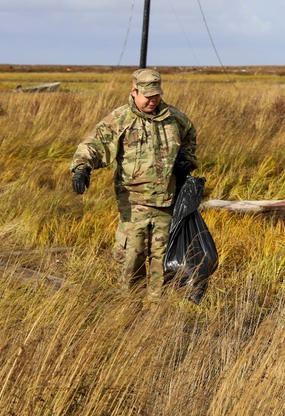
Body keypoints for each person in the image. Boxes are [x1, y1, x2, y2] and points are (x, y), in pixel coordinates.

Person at [70, 68, 198, 299]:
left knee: (164, 268)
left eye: (156, 95)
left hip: (166, 207)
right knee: (130, 264)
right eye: (147, 96)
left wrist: (186, 160)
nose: (152, 100)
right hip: (133, 208)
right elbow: (92, 146)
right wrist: (81, 169)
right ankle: (129, 318)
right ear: (134, 91)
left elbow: (190, 140)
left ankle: (156, 320)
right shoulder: (120, 119)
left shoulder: (175, 119)